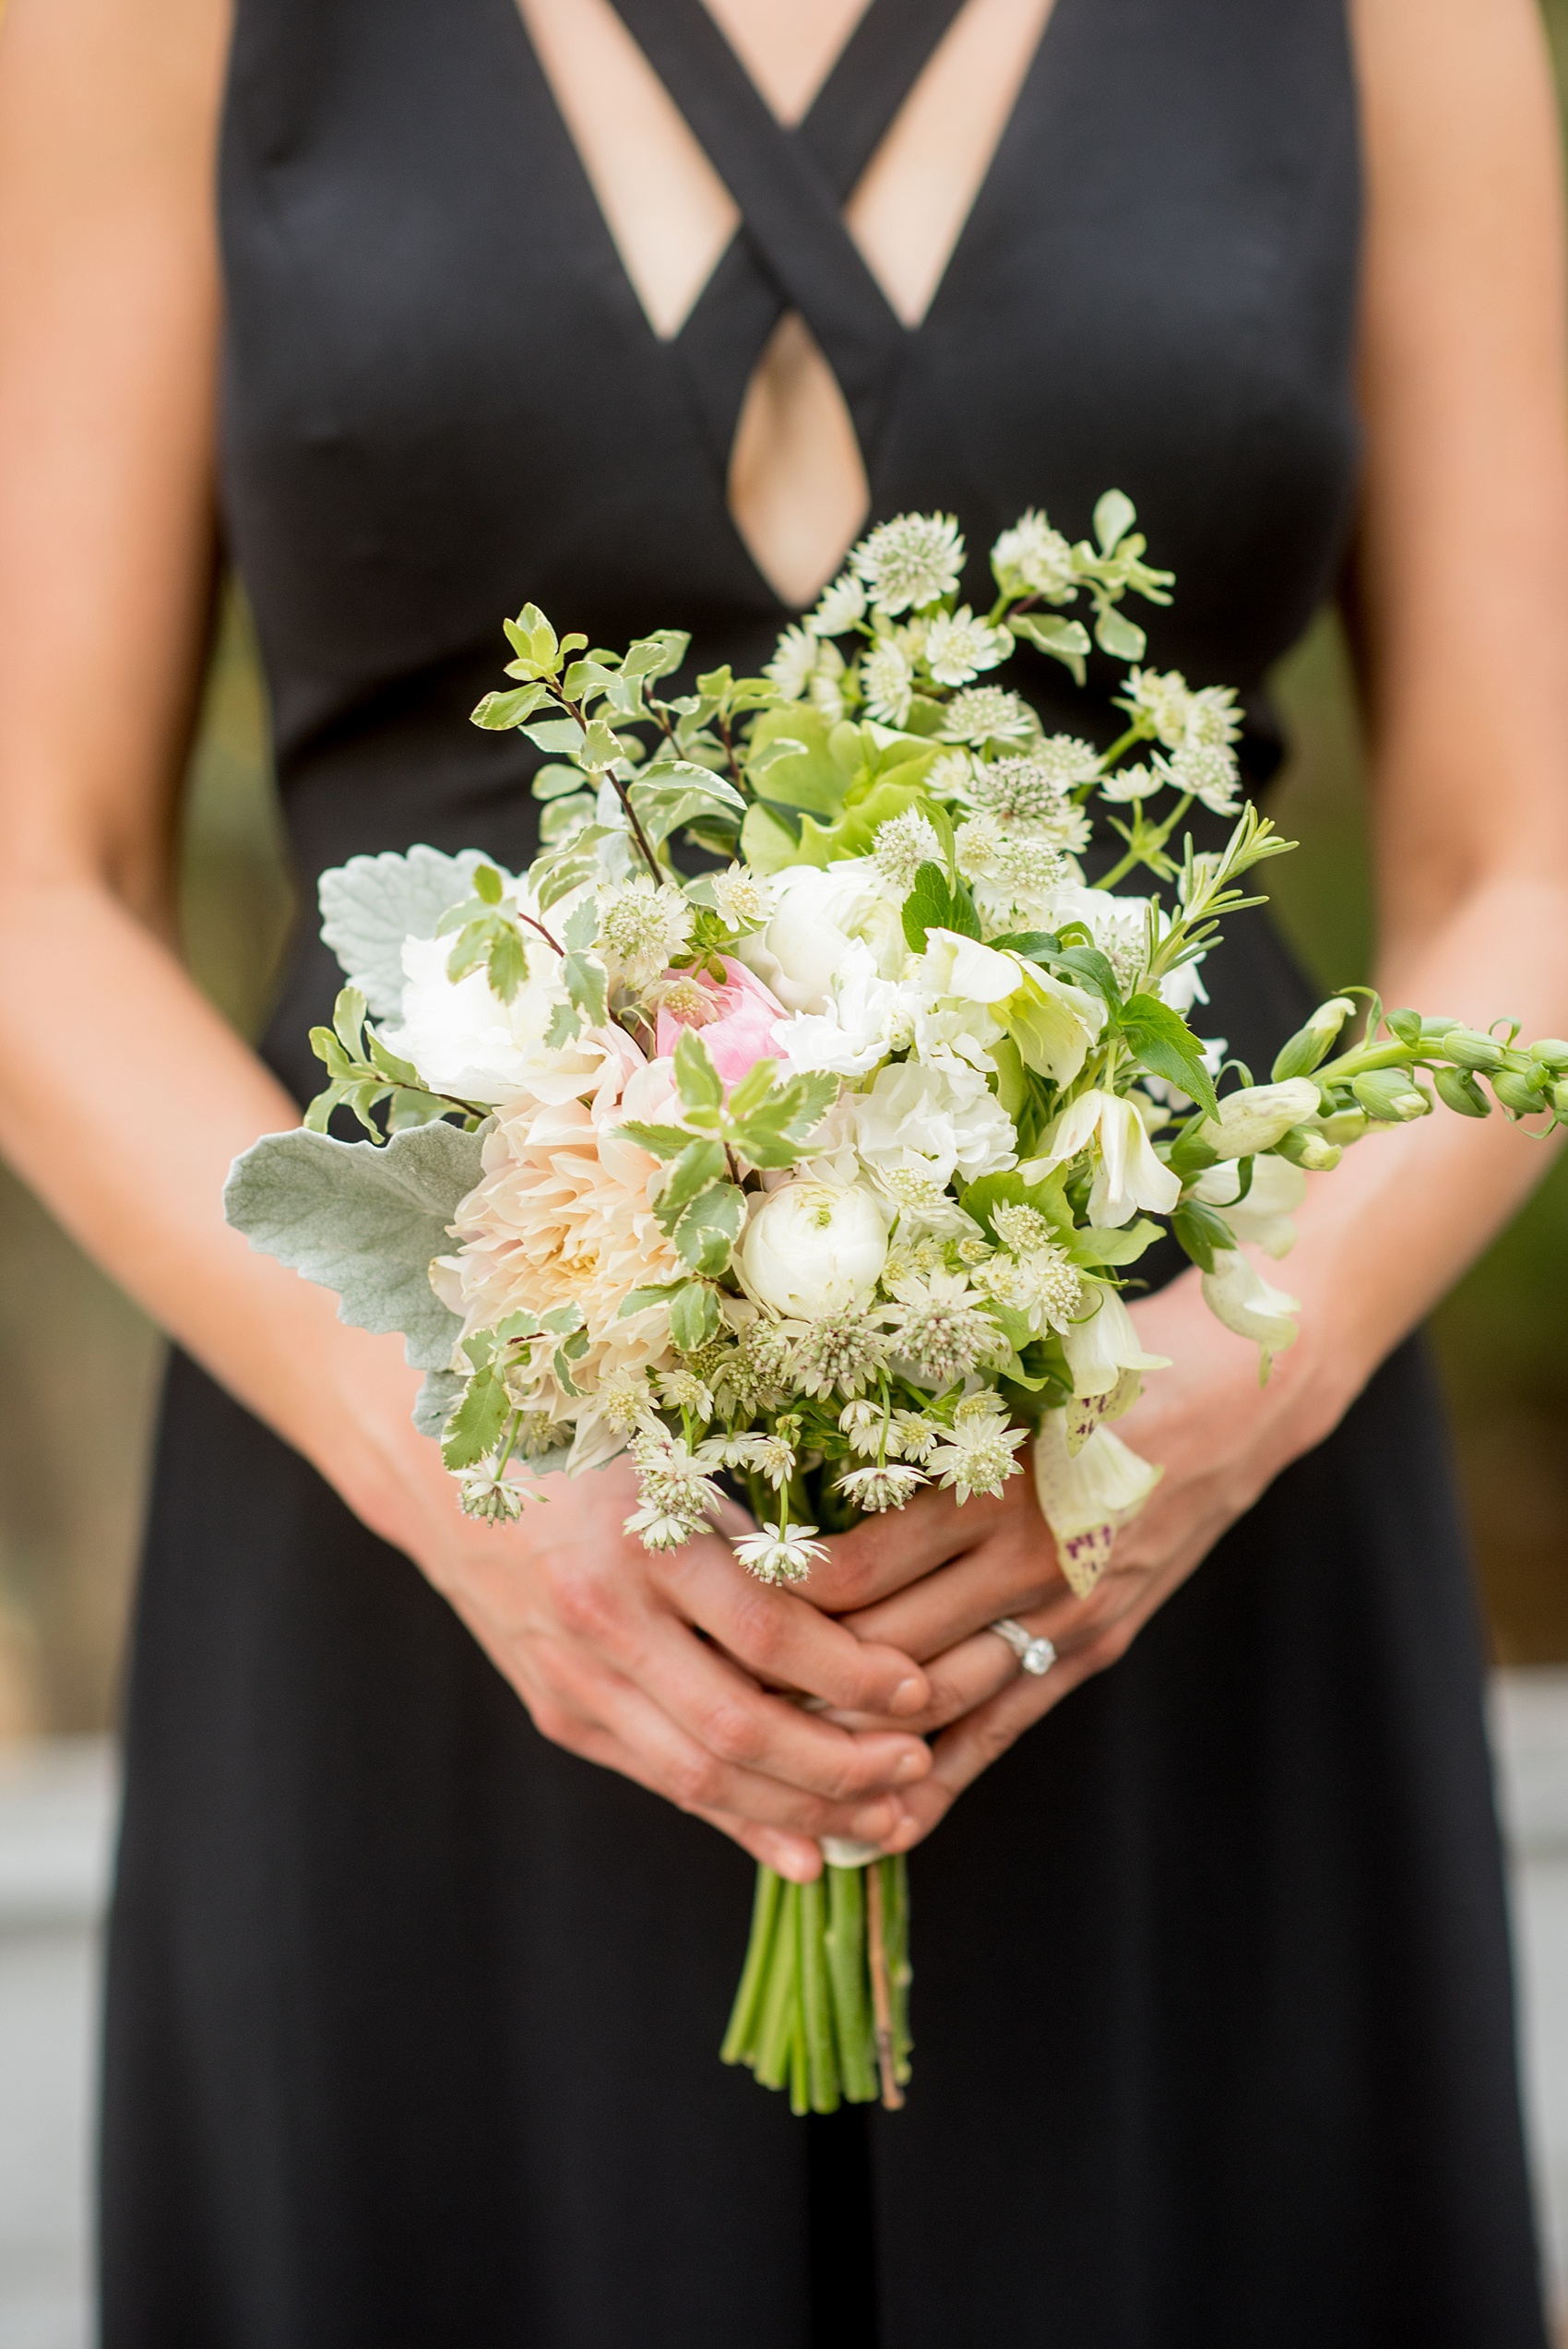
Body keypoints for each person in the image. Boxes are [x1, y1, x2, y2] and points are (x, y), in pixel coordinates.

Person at [0, 0, 1565, 2337]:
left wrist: (1228, 1391)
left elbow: (1525, 856)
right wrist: (449, 1474)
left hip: (1195, 1584)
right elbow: (38, 873)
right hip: (426, 1613)